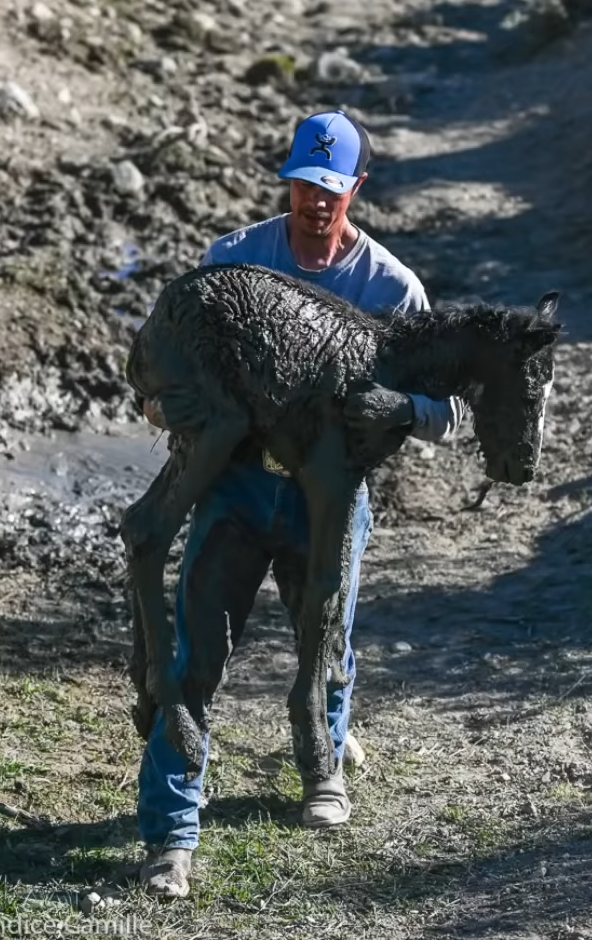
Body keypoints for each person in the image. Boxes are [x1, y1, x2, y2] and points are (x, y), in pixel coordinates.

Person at [134, 109, 468, 899]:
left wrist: (401, 410)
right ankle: (172, 835)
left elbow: (451, 411)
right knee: (195, 657)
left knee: (330, 644)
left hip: (330, 498)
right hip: (237, 491)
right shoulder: (235, 261)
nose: (318, 203)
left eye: (333, 189)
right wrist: (167, 406)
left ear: (357, 188)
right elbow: (169, 369)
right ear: (286, 181)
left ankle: (324, 769)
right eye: (304, 186)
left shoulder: (390, 288)